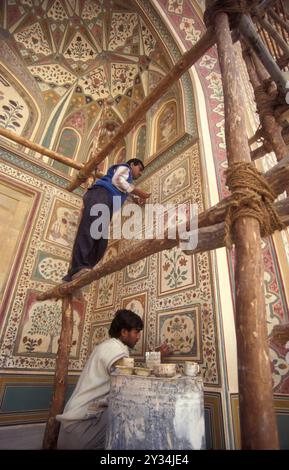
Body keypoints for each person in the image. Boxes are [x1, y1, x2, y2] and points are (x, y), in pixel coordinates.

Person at [56, 309, 144, 450]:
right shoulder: (115, 350)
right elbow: (129, 383)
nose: (138, 337)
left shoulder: (107, 346)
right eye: (136, 332)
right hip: (81, 429)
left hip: (70, 430)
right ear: (124, 332)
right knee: (133, 409)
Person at [63, 158, 150, 282]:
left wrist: (135, 198)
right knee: (90, 230)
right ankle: (78, 268)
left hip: (105, 200)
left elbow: (121, 188)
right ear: (132, 164)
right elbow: (117, 180)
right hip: (100, 194)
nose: (140, 173)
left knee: (101, 242)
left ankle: (82, 270)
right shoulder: (125, 168)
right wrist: (138, 192)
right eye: (140, 169)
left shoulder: (127, 180)